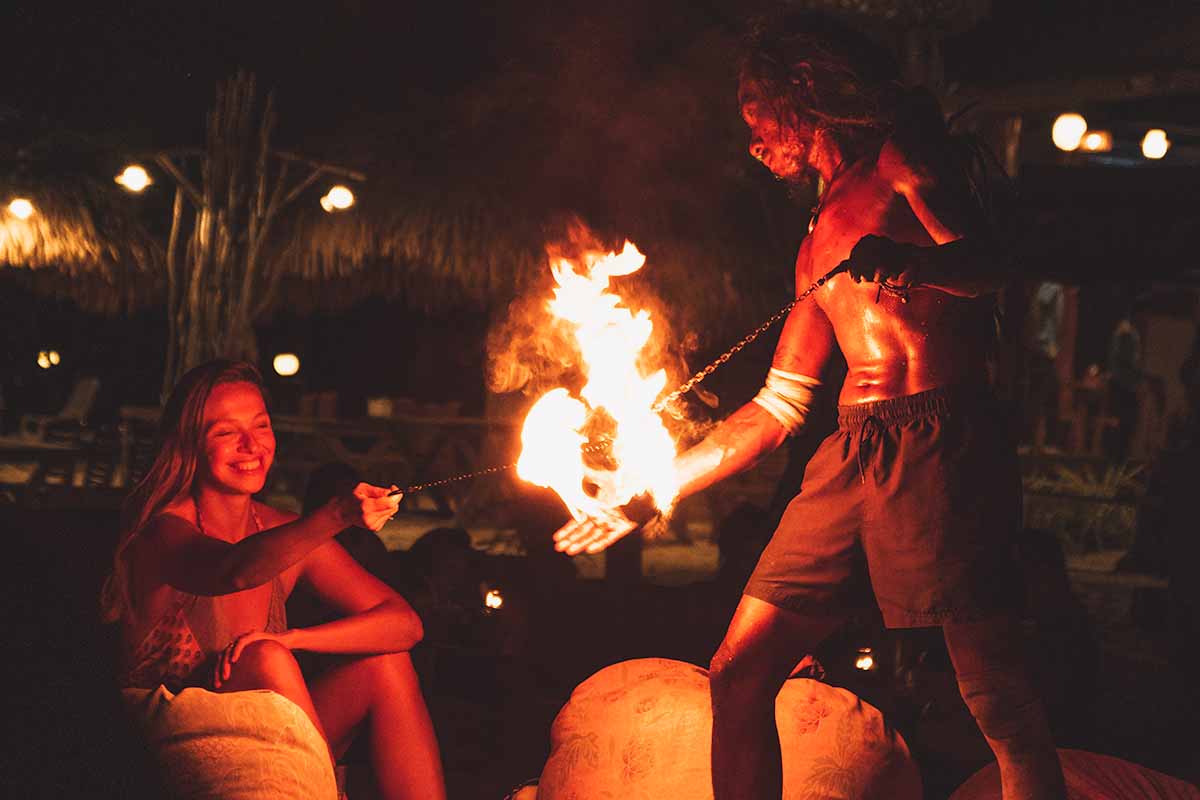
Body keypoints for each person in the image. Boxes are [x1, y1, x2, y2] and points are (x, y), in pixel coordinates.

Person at [552, 12, 1064, 800]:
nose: (751, 139)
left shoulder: (900, 159)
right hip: (848, 452)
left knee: (994, 691)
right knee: (739, 671)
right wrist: (653, 489)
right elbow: (777, 404)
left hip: (940, 436)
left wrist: (906, 262)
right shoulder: (816, 232)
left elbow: (992, 264)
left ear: (802, 94)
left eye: (755, 111)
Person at [101, 359, 446, 800]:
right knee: (265, 658)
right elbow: (234, 570)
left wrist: (295, 639)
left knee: (384, 662)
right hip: (173, 745)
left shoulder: (278, 531)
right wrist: (337, 515)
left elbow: (405, 624)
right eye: (225, 432)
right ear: (188, 444)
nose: (250, 445)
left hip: (271, 743)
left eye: (260, 427)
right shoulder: (164, 531)